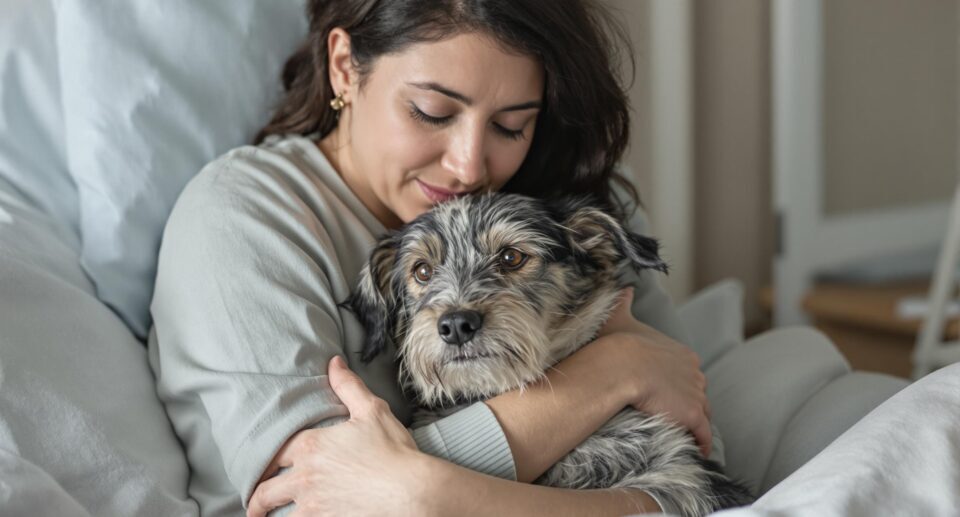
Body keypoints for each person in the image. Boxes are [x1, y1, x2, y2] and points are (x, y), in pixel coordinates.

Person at [147, 1, 714, 515]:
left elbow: (697, 440)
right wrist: (616, 372)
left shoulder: (572, 198)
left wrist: (419, 487)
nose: (470, 167)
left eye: (510, 124)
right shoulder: (242, 216)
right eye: (432, 111)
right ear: (345, 66)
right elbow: (319, 506)